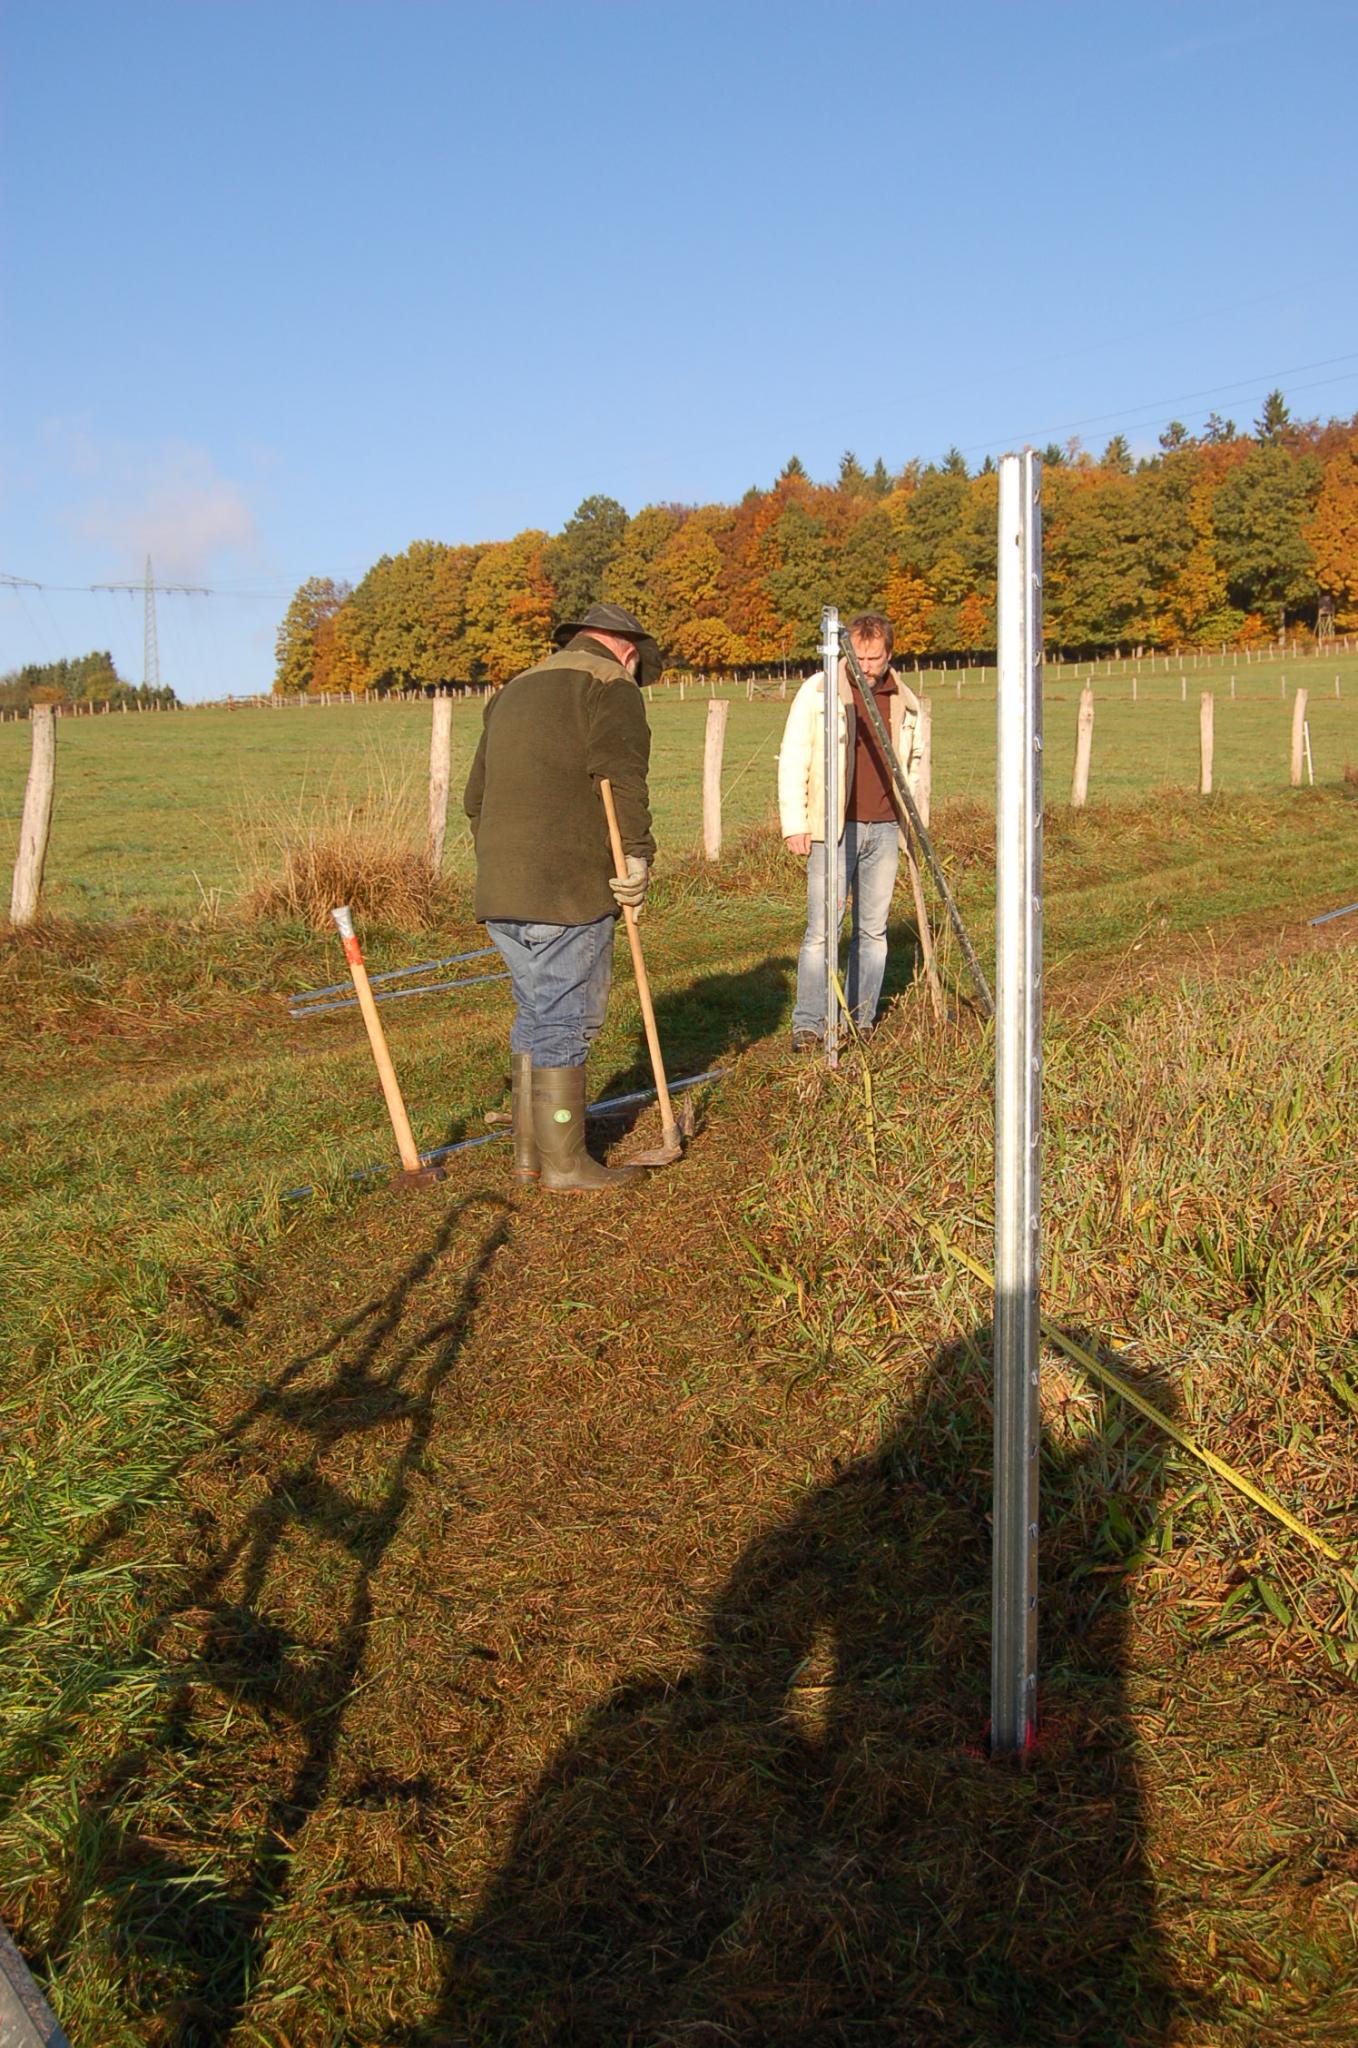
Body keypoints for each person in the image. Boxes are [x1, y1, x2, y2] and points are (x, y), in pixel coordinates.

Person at [464, 601, 662, 1192]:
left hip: (499, 885)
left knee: (535, 1010)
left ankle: (528, 1156)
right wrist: (636, 856)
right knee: (565, 1017)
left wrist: (505, 860)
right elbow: (622, 778)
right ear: (628, 650)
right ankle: (565, 1165)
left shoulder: (511, 689)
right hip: (564, 886)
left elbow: (475, 799)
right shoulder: (610, 684)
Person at [777, 610, 922, 1049]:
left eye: (875, 658)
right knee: (822, 931)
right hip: (832, 830)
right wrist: (795, 823)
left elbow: (914, 766)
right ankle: (810, 1022)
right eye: (858, 656)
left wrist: (913, 823)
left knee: (873, 932)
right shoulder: (820, 689)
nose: (866, 666)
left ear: (889, 654)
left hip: (883, 830)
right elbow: (795, 755)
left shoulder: (904, 700)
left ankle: (860, 1019)